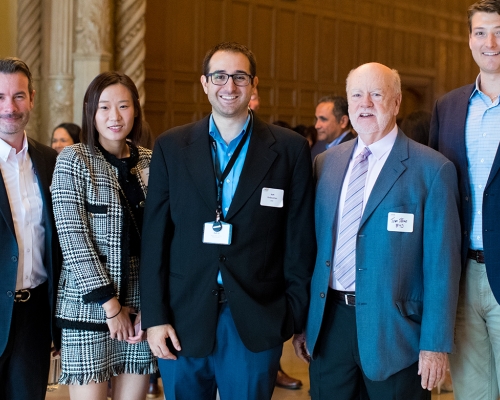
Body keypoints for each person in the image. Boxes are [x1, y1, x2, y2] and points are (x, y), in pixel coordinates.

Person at [140, 41, 316, 400]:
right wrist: (155, 318)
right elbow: (155, 238)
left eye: (239, 76)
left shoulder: (289, 149)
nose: (229, 86)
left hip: (256, 318)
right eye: (220, 76)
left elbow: (299, 240)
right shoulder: (171, 147)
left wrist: (291, 315)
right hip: (182, 317)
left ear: (254, 84)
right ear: (205, 83)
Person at [294, 62, 461, 400]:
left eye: (376, 94)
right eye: (356, 95)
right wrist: (303, 322)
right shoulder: (325, 164)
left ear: (397, 103)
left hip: (397, 331)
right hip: (329, 325)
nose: (364, 103)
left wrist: (434, 344)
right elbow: (311, 248)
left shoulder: (432, 170)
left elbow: (443, 267)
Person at [51, 71, 156, 400]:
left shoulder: (151, 162)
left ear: (135, 110)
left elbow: (166, 239)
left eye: (123, 106)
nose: (115, 116)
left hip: (140, 306)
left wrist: (153, 310)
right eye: (104, 107)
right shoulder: (74, 160)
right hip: (89, 305)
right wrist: (112, 308)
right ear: (90, 112)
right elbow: (73, 241)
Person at [429, 1, 500, 398]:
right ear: (469, 39)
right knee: (473, 393)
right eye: (480, 32)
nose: (490, 42)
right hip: (460, 277)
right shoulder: (449, 106)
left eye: (499, 31)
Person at [0, 57, 60, 400]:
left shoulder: (50, 161)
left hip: (34, 318)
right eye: (0, 97)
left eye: (19, 96)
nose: (10, 107)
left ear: (32, 98)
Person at [311, 95, 355, 160]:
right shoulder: (318, 146)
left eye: (323, 119)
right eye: (316, 119)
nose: (317, 126)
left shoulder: (354, 149)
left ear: (343, 121)